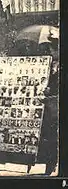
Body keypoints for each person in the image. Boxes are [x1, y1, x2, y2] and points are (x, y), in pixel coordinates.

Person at [37, 36, 59, 175]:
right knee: (50, 138)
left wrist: (47, 98)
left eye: (52, 49)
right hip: (52, 108)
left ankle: (51, 166)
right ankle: (50, 166)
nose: (50, 52)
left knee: (53, 139)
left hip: (55, 107)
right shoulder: (53, 65)